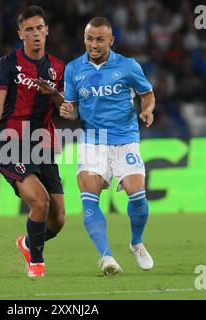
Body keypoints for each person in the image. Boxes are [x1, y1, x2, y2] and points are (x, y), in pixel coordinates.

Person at [60, 17, 155, 275]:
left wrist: (147, 110)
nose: (94, 44)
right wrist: (68, 111)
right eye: (89, 39)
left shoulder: (128, 66)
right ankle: (106, 257)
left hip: (125, 140)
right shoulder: (73, 69)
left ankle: (136, 242)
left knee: (138, 197)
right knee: (89, 199)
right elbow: (73, 110)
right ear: (84, 39)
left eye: (100, 39)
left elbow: (147, 94)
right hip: (93, 141)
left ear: (111, 40)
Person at [0, 5, 65, 278]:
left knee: (58, 219)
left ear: (47, 31)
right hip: (10, 142)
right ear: (21, 34)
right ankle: (37, 265)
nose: (35, 34)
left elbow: (70, 110)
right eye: (29, 30)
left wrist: (54, 94)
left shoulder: (58, 68)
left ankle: (27, 243)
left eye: (39, 28)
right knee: (39, 202)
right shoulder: (8, 63)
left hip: (42, 145)